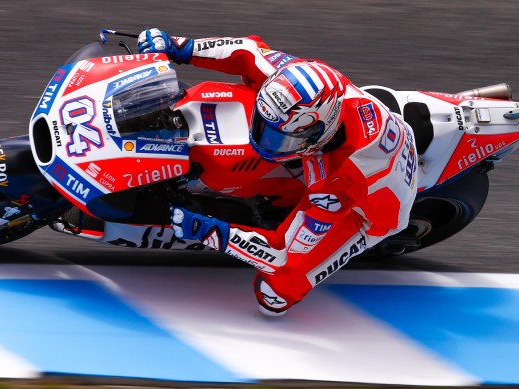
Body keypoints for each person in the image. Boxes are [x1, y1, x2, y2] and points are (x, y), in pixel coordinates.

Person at [138, 28, 418, 316]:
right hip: (361, 133)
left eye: (281, 139)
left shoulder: (337, 180)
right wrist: (179, 46)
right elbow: (248, 52)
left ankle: (289, 272)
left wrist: (211, 231)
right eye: (263, 126)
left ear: (318, 133)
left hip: (366, 209)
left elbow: (281, 253)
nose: (262, 139)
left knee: (274, 294)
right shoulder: (295, 81)